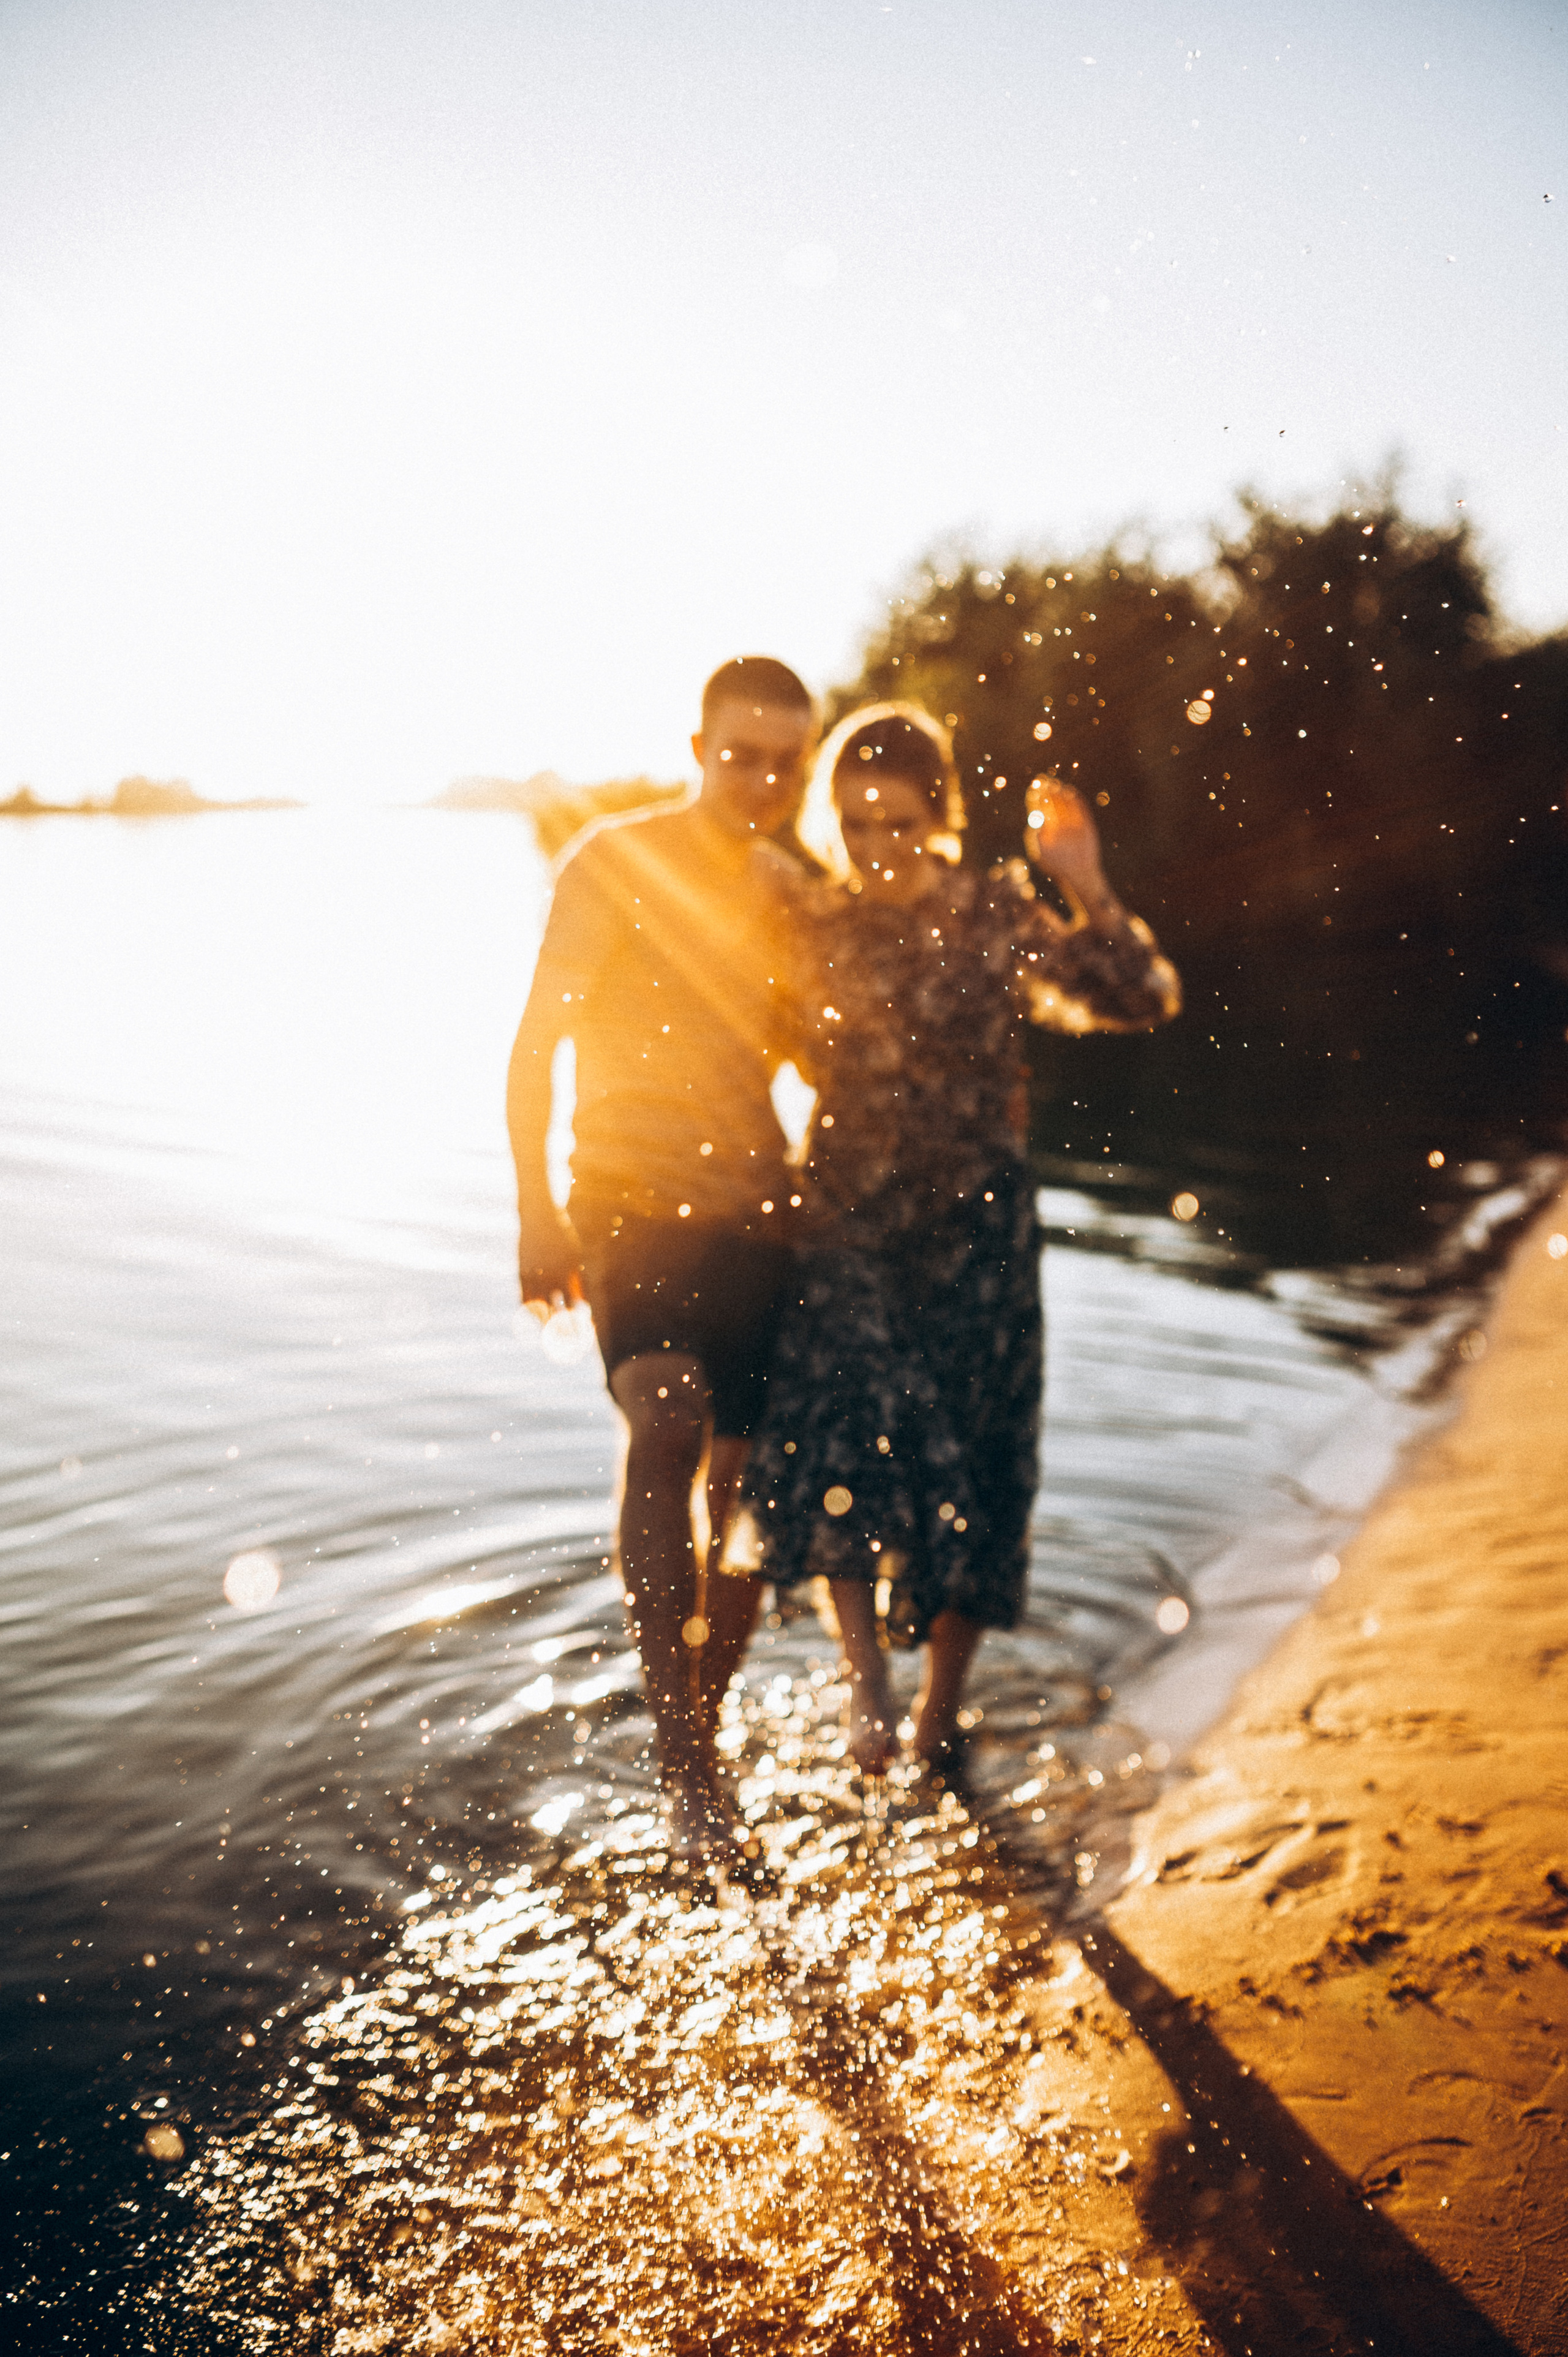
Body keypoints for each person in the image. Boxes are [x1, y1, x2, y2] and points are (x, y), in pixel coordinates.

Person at [725, 703, 1181, 1782]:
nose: (877, 847)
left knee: (978, 1470)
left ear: (938, 815)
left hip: (978, 1237)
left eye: (897, 822)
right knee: (839, 1437)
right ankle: (867, 1689)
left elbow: (1138, 999)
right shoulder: (816, 924)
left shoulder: (993, 912)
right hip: (844, 1224)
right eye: (856, 824)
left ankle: (939, 1713)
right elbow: (737, 1028)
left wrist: (1084, 881)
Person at [506, 656, 816, 1858]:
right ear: (697, 749)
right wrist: (537, 1211)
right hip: (626, 1203)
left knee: (744, 1490)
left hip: (756, 1213)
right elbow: (537, 1046)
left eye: (786, 760)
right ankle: (686, 1772)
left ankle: (703, 1722)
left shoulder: (793, 886)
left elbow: (816, 1048)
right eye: (740, 754)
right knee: (668, 1414)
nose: (762, 778)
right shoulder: (611, 863)